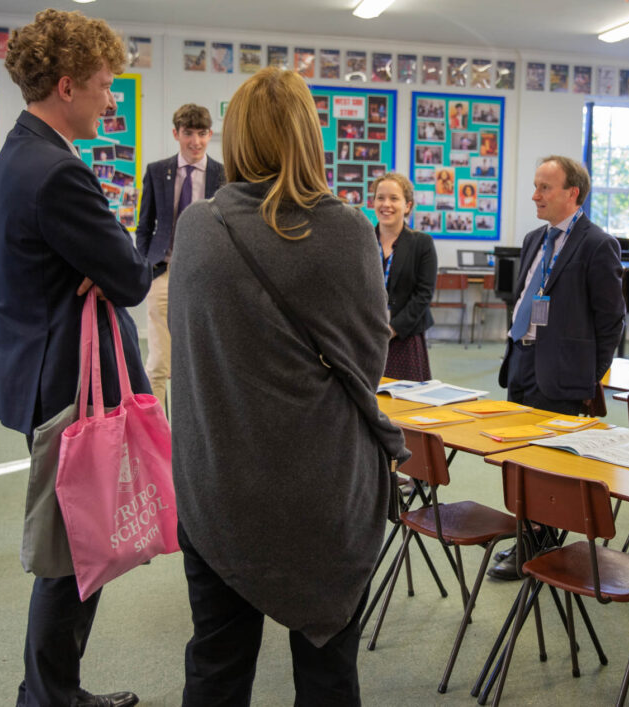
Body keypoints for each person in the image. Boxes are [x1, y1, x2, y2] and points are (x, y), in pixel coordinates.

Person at [168, 67, 407, 705]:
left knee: (216, 668)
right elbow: (366, 361)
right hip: (323, 489)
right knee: (329, 678)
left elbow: (190, 353)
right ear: (309, 136)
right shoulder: (347, 230)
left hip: (219, 485)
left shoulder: (197, 228)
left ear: (237, 137)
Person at [0, 10, 149, 706]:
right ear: (66, 86)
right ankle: (47, 697)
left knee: (74, 548)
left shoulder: (19, 152)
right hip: (66, 388)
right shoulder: (57, 171)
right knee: (73, 554)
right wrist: (107, 263)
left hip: (37, 372)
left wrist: (103, 263)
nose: (110, 99)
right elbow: (132, 275)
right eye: (104, 85)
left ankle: (54, 689)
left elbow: (109, 267)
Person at [488, 155, 625, 580]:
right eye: (535, 186)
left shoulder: (597, 244)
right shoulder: (535, 239)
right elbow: (525, 295)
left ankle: (539, 545)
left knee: (549, 463)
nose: (535, 195)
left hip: (562, 372)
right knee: (521, 457)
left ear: (572, 193)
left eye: (544, 188)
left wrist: (590, 375)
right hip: (522, 359)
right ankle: (527, 532)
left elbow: (611, 320)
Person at [135, 104, 224, 405]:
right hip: (163, 272)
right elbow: (144, 226)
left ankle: (197, 427)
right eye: (188, 133)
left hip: (205, 276)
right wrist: (145, 266)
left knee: (202, 360)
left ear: (210, 134)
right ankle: (158, 432)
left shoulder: (222, 175)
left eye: (202, 133)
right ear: (176, 134)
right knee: (158, 363)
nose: (195, 142)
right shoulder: (157, 171)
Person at [372, 172, 437, 381]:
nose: (386, 204)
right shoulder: (363, 241)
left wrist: (392, 329)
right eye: (380, 198)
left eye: (394, 198)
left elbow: (423, 294)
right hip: (368, 336)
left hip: (405, 336)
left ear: (407, 206)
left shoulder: (422, 243)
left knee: (403, 396)